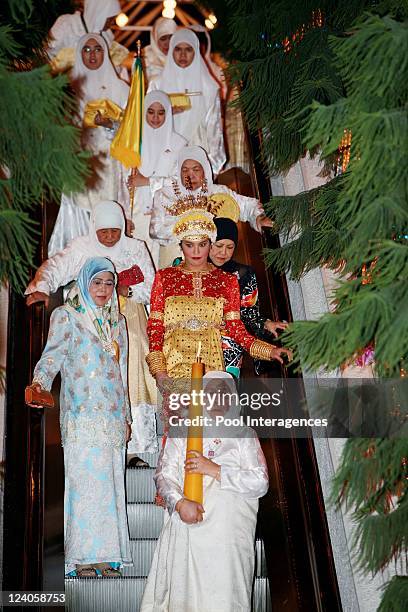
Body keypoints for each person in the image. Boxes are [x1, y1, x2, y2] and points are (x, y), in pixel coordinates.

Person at [25, 200, 158, 462]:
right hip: (88, 322)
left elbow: (153, 286)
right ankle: (94, 445)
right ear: (94, 228)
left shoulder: (135, 248)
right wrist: (42, 286)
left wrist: (126, 290)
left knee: (133, 374)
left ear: (122, 227)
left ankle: (139, 448)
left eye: (114, 232)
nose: (109, 237)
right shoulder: (81, 247)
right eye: (103, 232)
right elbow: (56, 267)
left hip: (127, 319)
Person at [27, 257, 133, 576]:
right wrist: (38, 383)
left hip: (113, 419)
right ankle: (83, 558)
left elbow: (122, 371)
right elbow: (52, 357)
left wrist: (126, 417)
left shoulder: (118, 321)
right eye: (97, 282)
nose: (103, 290)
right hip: (81, 416)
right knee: (84, 486)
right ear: (85, 282)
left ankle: (108, 556)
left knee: (111, 488)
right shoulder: (66, 316)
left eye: (108, 283)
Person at [140, 371, 269, 611]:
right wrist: (179, 503)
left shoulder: (244, 435)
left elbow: (260, 482)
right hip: (190, 522)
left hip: (229, 536)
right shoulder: (183, 431)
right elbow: (164, 475)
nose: (218, 397)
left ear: (233, 398)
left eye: (224, 392)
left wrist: (214, 470)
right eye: (212, 392)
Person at [145, 205, 292, 394]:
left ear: (210, 243)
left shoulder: (227, 280)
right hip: (173, 364)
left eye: (203, 244)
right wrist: (159, 371)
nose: (196, 251)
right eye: (189, 244)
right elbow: (155, 327)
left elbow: (237, 330)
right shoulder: (164, 277)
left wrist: (269, 351)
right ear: (180, 245)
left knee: (212, 422)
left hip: (212, 364)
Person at [48, 33, 130, 256]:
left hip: (110, 163)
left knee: (108, 216)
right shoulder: (68, 89)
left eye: (97, 49)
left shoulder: (121, 89)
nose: (92, 55)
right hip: (79, 161)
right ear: (78, 53)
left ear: (105, 52)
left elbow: (130, 131)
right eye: (86, 49)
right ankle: (78, 269)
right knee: (80, 213)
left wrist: (109, 125)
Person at [149, 145, 273, 268]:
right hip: (174, 263)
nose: (190, 175)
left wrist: (258, 217)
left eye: (196, 169)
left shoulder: (218, 192)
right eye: (185, 170)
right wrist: (191, 225)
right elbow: (156, 230)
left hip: (211, 267)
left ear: (205, 170)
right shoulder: (164, 195)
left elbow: (247, 206)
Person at [210, 217, 288, 377]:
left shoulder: (243, 274)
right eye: (218, 245)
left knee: (224, 397)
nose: (223, 252)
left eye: (230, 247)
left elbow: (249, 314)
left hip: (229, 349)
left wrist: (266, 323)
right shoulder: (189, 270)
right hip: (192, 345)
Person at [148, 29, 226, 176]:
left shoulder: (209, 87)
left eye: (188, 49)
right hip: (165, 155)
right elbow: (147, 123)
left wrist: (212, 167)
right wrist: (166, 113)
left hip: (199, 154)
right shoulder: (157, 85)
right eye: (178, 49)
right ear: (171, 51)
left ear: (196, 51)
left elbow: (214, 129)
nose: (183, 55)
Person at [126, 90, 186, 267]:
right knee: (136, 265)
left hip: (165, 216)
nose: (155, 117)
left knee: (163, 264)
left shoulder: (179, 144)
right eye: (150, 111)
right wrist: (124, 216)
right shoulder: (133, 143)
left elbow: (181, 183)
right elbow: (124, 181)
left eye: (161, 112)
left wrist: (148, 182)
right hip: (136, 214)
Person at [47, 0, 128, 75]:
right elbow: (46, 54)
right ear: (99, 14)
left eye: (114, 18)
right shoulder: (67, 23)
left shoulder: (107, 36)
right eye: (110, 19)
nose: (113, 22)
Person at [142, 16, 177, 83]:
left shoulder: (181, 57)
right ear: (155, 38)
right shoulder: (144, 57)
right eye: (163, 39)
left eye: (171, 38)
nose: (167, 44)